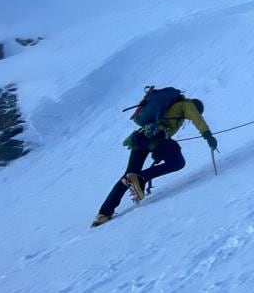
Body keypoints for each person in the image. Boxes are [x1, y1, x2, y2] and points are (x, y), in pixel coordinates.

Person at [91, 87, 218, 227]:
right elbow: (197, 119)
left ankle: (103, 214)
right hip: (156, 137)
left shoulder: (168, 108)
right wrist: (208, 137)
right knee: (177, 162)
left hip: (139, 138)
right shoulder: (187, 105)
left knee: (129, 175)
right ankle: (141, 178)